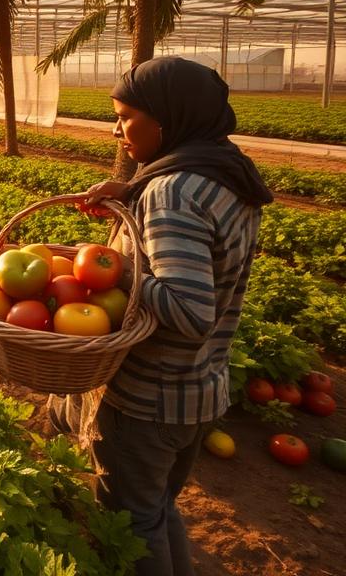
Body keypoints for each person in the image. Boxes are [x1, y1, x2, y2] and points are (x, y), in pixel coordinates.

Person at [68, 57, 273, 576]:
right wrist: (133, 191)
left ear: (167, 117)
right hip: (199, 389)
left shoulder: (173, 192)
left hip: (147, 400)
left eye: (126, 116)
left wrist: (113, 274)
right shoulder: (221, 173)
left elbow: (188, 308)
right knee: (154, 511)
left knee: (132, 528)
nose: (116, 131)